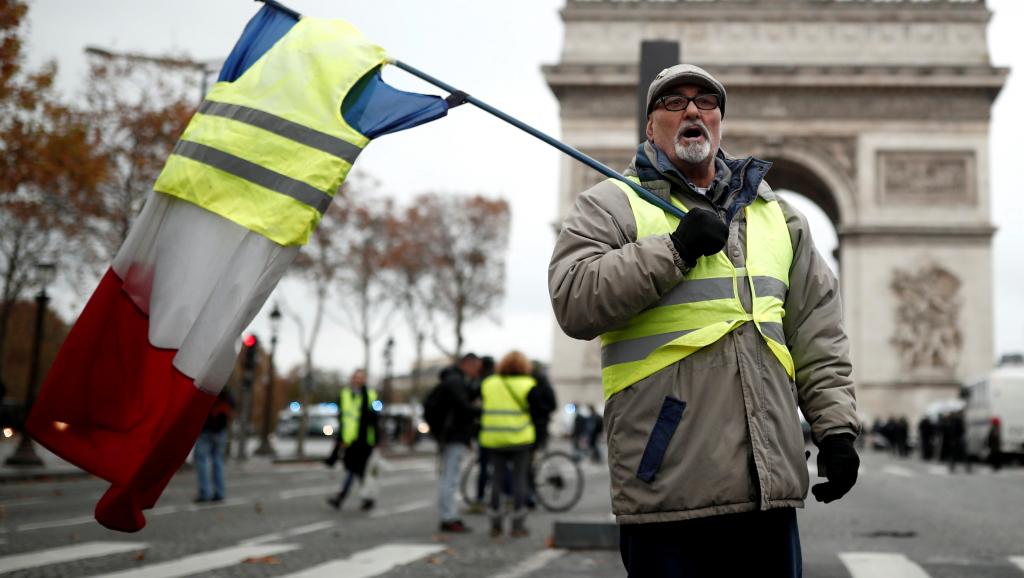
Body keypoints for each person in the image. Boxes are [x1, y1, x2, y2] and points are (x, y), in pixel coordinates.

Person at [548, 63, 860, 577]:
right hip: (669, 484)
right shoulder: (609, 205)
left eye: (705, 102)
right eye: (673, 102)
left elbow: (817, 332)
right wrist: (673, 251)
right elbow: (573, 299)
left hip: (767, 486)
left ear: (719, 123)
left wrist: (836, 430)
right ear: (650, 126)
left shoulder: (779, 219)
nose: (692, 110)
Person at [479, 351, 546, 537]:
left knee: (496, 480)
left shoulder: (489, 384)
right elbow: (538, 413)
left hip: (494, 439)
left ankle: (495, 524)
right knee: (519, 480)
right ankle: (518, 525)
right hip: (521, 439)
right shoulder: (529, 385)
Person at [434, 353, 482, 533]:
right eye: (475, 367)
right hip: (453, 435)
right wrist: (480, 411)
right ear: (467, 364)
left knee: (449, 476)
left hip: (449, 434)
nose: (477, 371)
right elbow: (464, 407)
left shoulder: (453, 380)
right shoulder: (456, 382)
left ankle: (449, 515)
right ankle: (448, 517)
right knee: (450, 478)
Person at [326, 369, 380, 511]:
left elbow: (375, 419)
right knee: (359, 471)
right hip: (350, 440)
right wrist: (341, 438)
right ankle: (368, 498)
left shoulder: (371, 395)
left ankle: (341, 497)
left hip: (365, 441)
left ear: (364, 380)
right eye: (356, 377)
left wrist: (376, 440)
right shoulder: (344, 394)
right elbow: (342, 418)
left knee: (353, 469)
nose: (357, 380)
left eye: (361, 377)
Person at [194, 388, 235, 503]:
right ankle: (219, 492)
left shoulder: (205, 389)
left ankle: (205, 492)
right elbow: (232, 405)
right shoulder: (226, 393)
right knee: (218, 461)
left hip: (205, 429)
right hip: (220, 430)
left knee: (202, 460)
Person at [470, 355, 496, 514]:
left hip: (486, 430)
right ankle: (506, 497)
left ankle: (480, 498)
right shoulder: (498, 380)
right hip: (506, 432)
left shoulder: (481, 382)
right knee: (503, 468)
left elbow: (472, 397)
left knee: (484, 467)